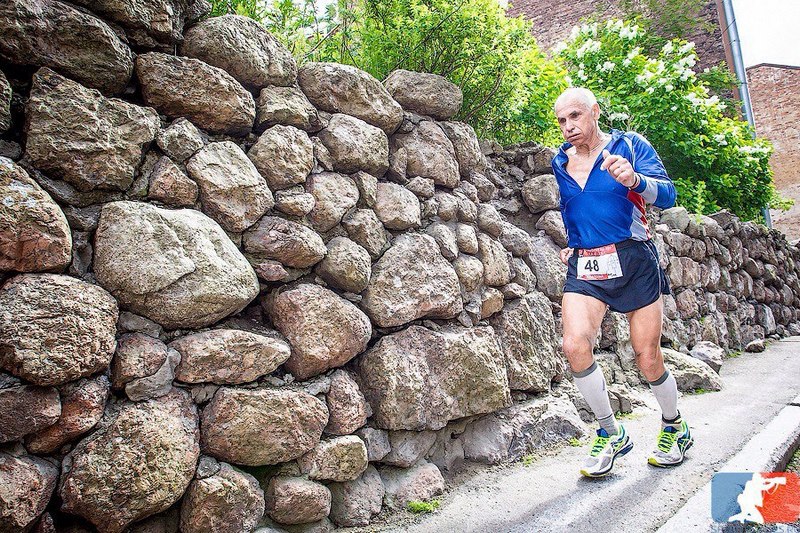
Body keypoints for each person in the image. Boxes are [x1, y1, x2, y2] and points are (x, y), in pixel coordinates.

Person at [550, 87, 692, 477]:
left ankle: (674, 426)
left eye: (575, 116)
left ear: (595, 112)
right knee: (574, 345)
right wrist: (574, 242)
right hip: (586, 263)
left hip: (633, 259)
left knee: (647, 356)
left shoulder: (629, 146)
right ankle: (610, 433)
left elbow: (668, 194)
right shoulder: (559, 161)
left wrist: (635, 179)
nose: (568, 126)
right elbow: (574, 207)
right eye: (561, 120)